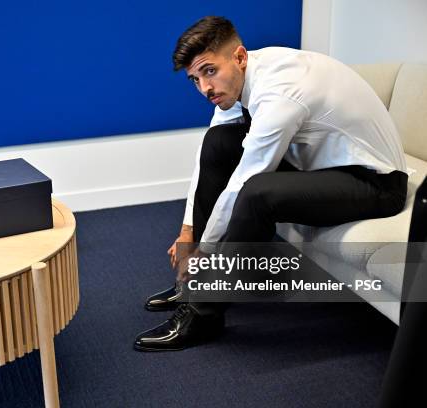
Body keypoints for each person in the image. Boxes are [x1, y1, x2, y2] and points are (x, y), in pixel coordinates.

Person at [133, 16, 408, 352]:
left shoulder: (281, 93)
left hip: (374, 183)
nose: (204, 88)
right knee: (219, 142)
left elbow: (245, 181)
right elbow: (210, 155)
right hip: (319, 166)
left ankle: (204, 311)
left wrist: (203, 253)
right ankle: (196, 281)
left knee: (257, 193)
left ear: (239, 57)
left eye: (209, 71)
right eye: (195, 79)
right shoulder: (239, 80)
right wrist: (188, 231)